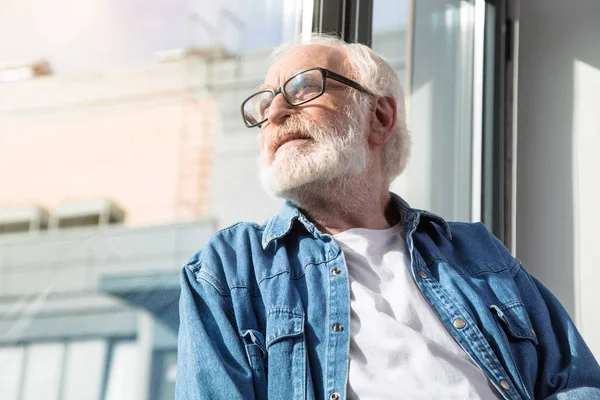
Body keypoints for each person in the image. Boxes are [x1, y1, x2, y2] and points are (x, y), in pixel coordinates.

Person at [175, 34, 600, 400]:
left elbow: (577, 383)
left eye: (302, 88)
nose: (274, 113)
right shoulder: (230, 269)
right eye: (265, 103)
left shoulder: (475, 251)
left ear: (378, 117)